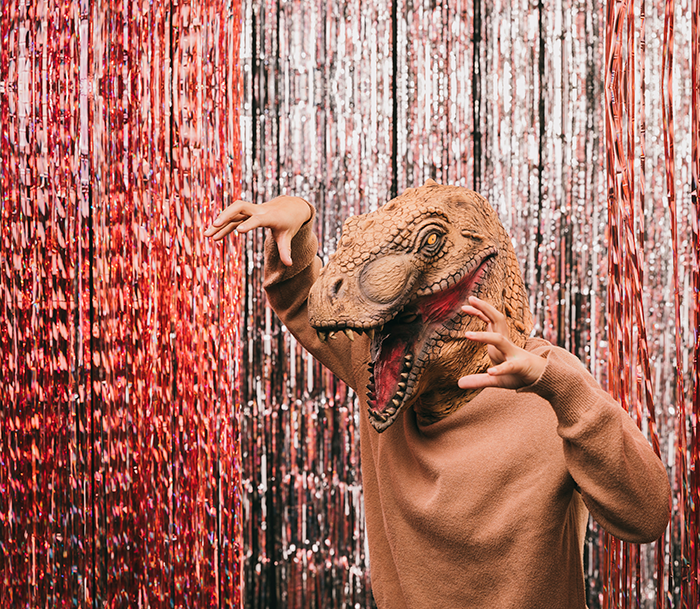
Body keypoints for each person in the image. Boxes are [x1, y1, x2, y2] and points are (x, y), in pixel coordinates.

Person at [205, 188, 670, 609]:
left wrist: (559, 389)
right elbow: (309, 304)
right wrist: (300, 220)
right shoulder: (384, 362)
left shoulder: (549, 384)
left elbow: (646, 516)